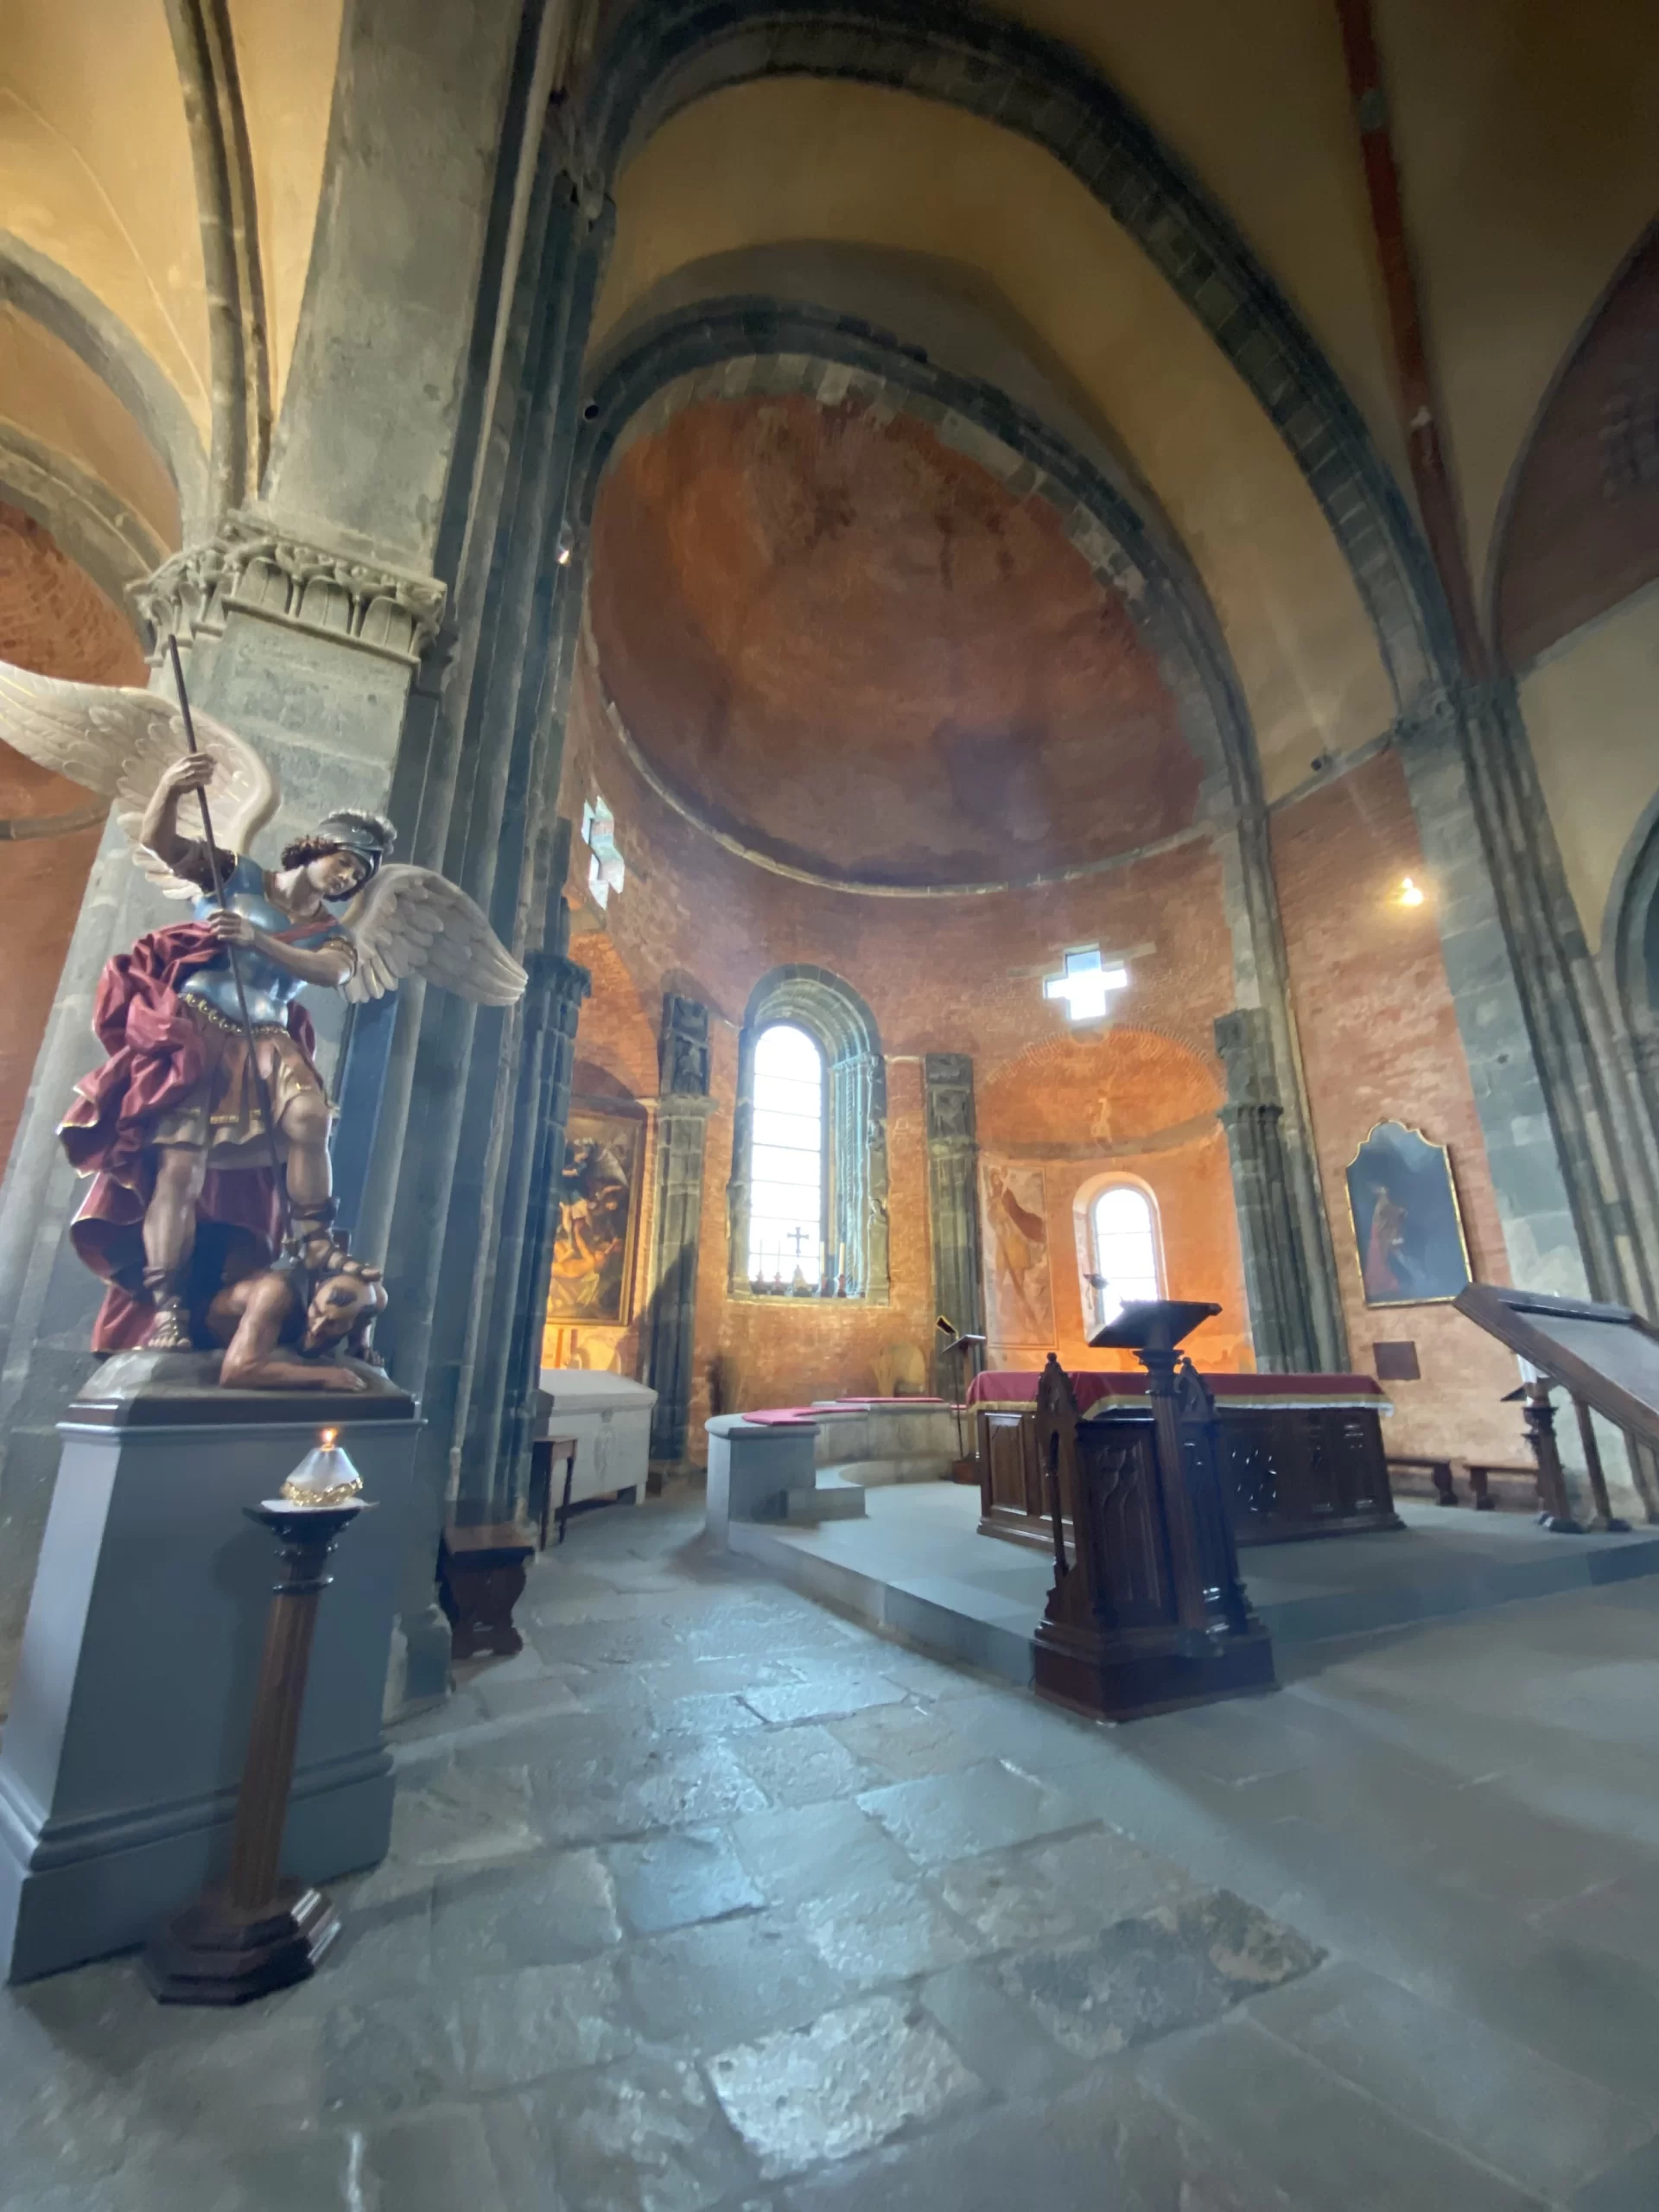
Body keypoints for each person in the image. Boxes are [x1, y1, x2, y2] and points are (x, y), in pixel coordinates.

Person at [60, 754, 395, 1350]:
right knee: (180, 1171)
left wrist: (258, 939)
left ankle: (314, 1237)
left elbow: (327, 974)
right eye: (344, 862)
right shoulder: (239, 876)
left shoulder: (332, 934)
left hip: (266, 1040)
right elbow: (162, 843)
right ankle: (169, 1309)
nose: (346, 879)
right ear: (316, 848)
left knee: (311, 1117)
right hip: (197, 1036)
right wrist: (169, 787)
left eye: (356, 876)